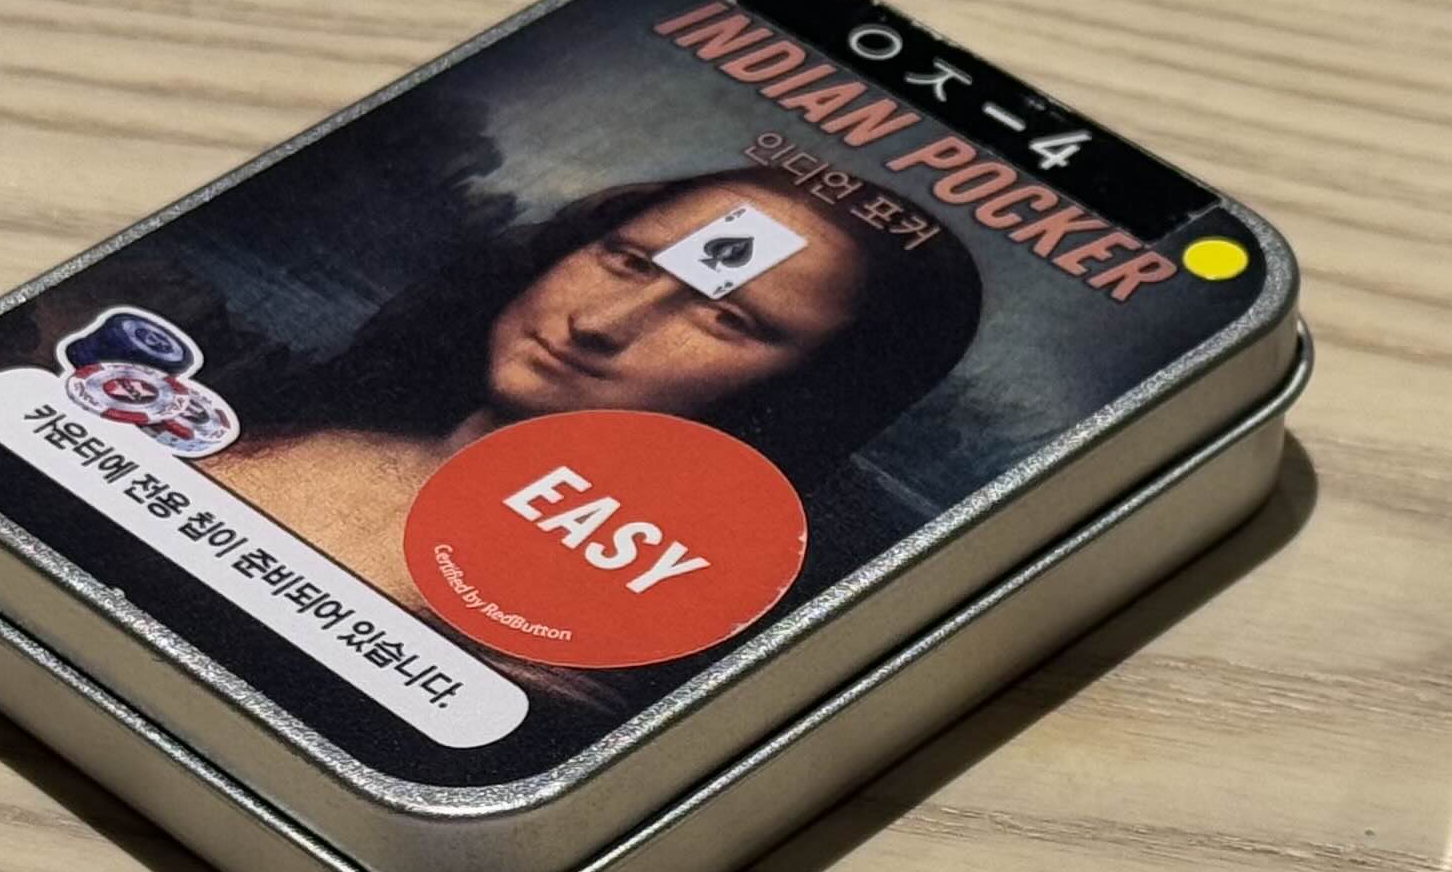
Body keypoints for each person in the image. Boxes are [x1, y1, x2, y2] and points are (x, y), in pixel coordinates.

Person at [191, 165, 984, 637]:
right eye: (630, 263)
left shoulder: (584, 642)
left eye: (725, 318)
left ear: (813, 389)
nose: (602, 325)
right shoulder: (269, 402)